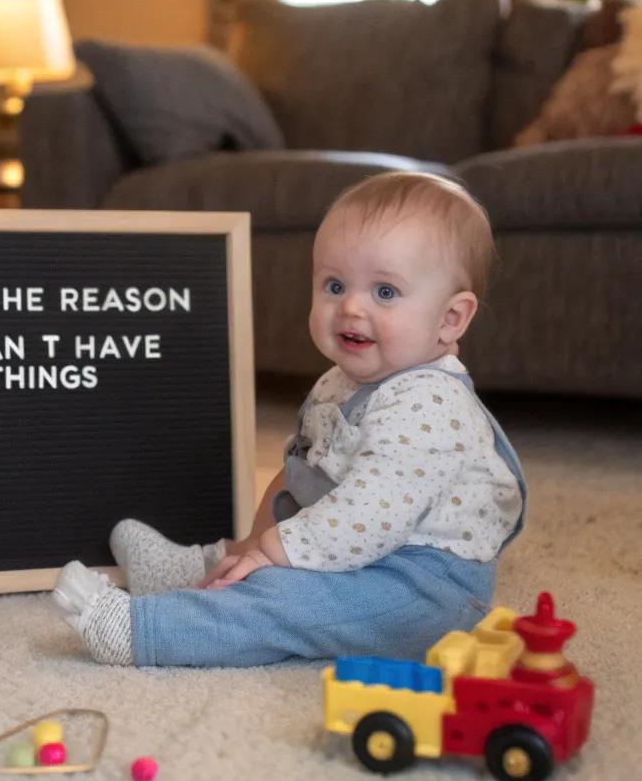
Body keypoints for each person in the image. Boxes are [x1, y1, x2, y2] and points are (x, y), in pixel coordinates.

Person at [53, 170, 526, 668]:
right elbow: (300, 475)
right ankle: (194, 568)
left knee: (285, 603)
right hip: (355, 544)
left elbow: (366, 517)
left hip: (422, 588)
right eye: (335, 284)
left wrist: (273, 555)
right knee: (271, 551)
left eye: (385, 292)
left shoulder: (428, 407)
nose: (351, 308)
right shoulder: (342, 380)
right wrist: (250, 547)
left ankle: (143, 632)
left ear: (451, 319)